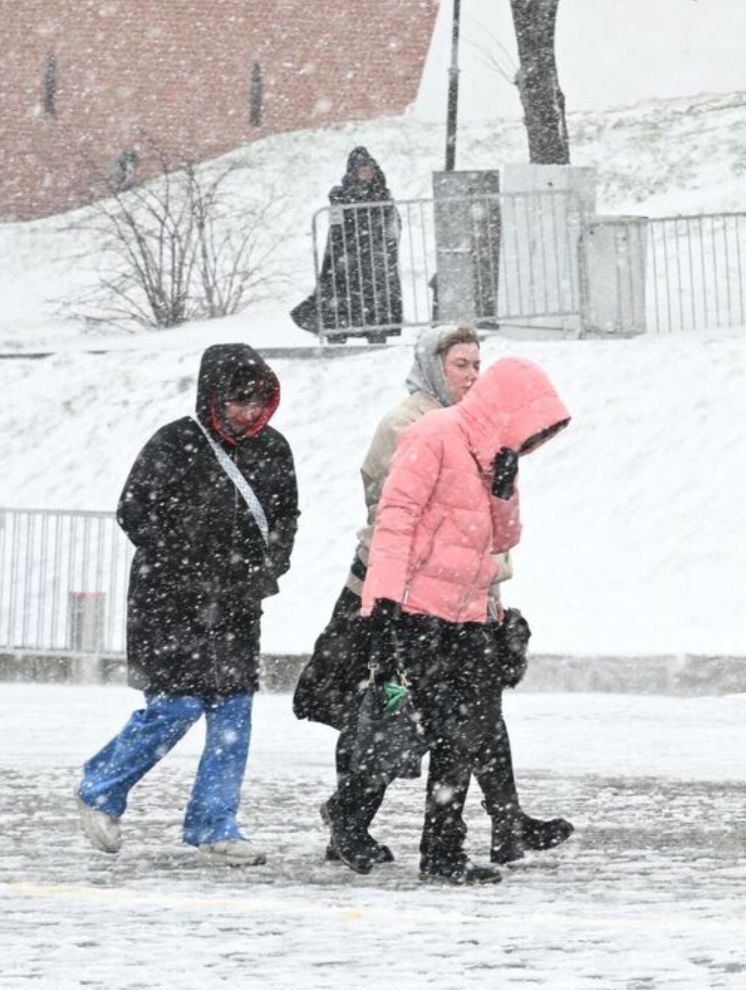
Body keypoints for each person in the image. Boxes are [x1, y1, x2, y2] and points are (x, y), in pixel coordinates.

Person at [294, 326, 572, 876]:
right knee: (427, 726)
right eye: (460, 364)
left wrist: (503, 486)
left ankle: (436, 849)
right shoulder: (431, 433)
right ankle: (385, 829)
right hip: (418, 611)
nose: (469, 375)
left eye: (477, 365)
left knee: (462, 732)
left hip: (468, 611)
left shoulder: (488, 451)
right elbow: (395, 518)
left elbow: (503, 537)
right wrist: (383, 603)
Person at [76, 344, 298, 866]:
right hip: (169, 601)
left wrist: (268, 568)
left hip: (239, 603)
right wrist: (192, 564)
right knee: (174, 707)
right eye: (238, 399)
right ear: (213, 396)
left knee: (233, 714)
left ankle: (214, 824)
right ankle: (100, 789)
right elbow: (133, 512)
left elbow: (287, 518)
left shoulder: (275, 449)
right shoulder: (175, 442)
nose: (248, 411)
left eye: (257, 401)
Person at [292, 146, 402, 343]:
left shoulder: (382, 193)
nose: (366, 174)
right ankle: (338, 333)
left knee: (373, 297)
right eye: (361, 170)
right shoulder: (343, 195)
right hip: (348, 253)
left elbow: (391, 223)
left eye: (369, 169)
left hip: (372, 255)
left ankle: (376, 332)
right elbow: (338, 226)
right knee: (342, 296)